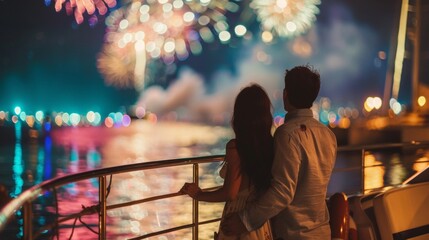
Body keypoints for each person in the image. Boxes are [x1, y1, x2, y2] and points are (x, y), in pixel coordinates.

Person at [221, 65, 337, 239]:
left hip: (294, 233)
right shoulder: (328, 135)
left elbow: (282, 191)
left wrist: (244, 220)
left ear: (285, 94)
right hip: (322, 231)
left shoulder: (287, 134)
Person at [180, 84, 274, 240]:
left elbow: (230, 193)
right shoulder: (271, 146)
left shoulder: (236, 147)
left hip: (236, 219)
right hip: (258, 220)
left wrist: (199, 194)